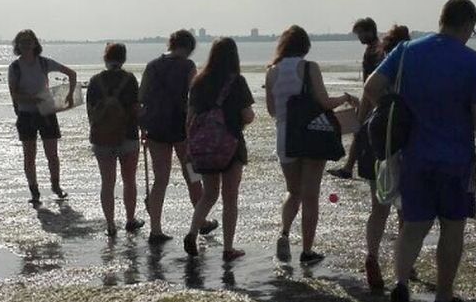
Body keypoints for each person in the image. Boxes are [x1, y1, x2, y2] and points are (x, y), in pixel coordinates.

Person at [360, 0, 476, 302]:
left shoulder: (407, 51)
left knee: (414, 227)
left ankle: (402, 287)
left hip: (414, 155)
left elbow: (371, 87)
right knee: (452, 227)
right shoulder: (472, 61)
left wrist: (399, 106)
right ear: (468, 25)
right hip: (456, 159)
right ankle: (444, 297)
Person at [266, 25, 357, 265]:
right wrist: (346, 98)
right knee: (310, 196)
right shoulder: (309, 67)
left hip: (285, 136)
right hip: (312, 135)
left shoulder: (272, 72)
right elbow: (325, 102)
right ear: (305, 46)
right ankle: (307, 250)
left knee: (292, 191)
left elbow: (272, 111)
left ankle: (284, 233)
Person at [183, 38, 256, 262]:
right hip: (231, 145)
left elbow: (189, 120)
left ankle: (192, 232)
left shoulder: (199, 82)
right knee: (230, 198)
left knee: (209, 194)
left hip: (205, 146)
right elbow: (247, 115)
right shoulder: (237, 82)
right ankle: (228, 248)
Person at [139, 29, 214, 245]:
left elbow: (142, 97)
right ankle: (201, 221)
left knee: (160, 179)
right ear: (189, 48)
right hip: (182, 128)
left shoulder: (152, 65)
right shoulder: (188, 66)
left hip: (156, 128)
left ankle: (155, 229)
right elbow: (196, 95)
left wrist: (143, 126)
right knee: (192, 174)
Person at [362, 24, 411, 291]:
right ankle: (405, 263)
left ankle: (372, 256)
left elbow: (367, 97)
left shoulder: (378, 70)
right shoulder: (408, 71)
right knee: (405, 207)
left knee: (378, 207)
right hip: (400, 139)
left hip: (375, 138)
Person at [8, 29, 78, 206]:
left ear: (35, 43)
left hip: (46, 113)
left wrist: (69, 95)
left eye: (28, 41)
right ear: (17, 45)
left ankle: (56, 186)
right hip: (25, 114)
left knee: (52, 154)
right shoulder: (15, 67)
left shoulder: (44, 63)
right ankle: (34, 190)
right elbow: (14, 94)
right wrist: (33, 98)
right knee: (29, 155)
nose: (25, 45)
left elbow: (72, 73)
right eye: (22, 42)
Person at [86, 43, 144, 237]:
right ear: (124, 58)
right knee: (129, 180)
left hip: (102, 139)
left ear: (105, 58)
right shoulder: (129, 80)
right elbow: (136, 109)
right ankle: (129, 219)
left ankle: (110, 224)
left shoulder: (95, 81)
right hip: (127, 136)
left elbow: (90, 113)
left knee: (107, 182)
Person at [330, 17, 382, 180]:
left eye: (360, 33)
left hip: (371, 98)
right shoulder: (375, 49)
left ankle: (349, 168)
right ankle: (350, 167)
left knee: (359, 132)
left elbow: (371, 80)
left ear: (370, 31)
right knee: (360, 133)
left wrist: (367, 103)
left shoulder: (375, 51)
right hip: (370, 97)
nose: (359, 37)